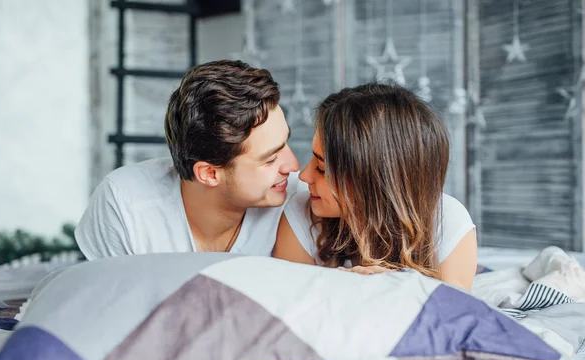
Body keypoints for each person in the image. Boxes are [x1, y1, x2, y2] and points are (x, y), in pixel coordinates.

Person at [75, 60, 300, 260]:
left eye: (286, 142)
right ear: (209, 173)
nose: (294, 166)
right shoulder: (124, 207)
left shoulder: (301, 198)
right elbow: (112, 302)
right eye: (270, 159)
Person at [273, 83, 478, 291]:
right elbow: (290, 307)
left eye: (322, 168)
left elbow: (452, 316)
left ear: (376, 182)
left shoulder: (447, 222)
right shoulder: (303, 212)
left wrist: (396, 291)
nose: (304, 176)